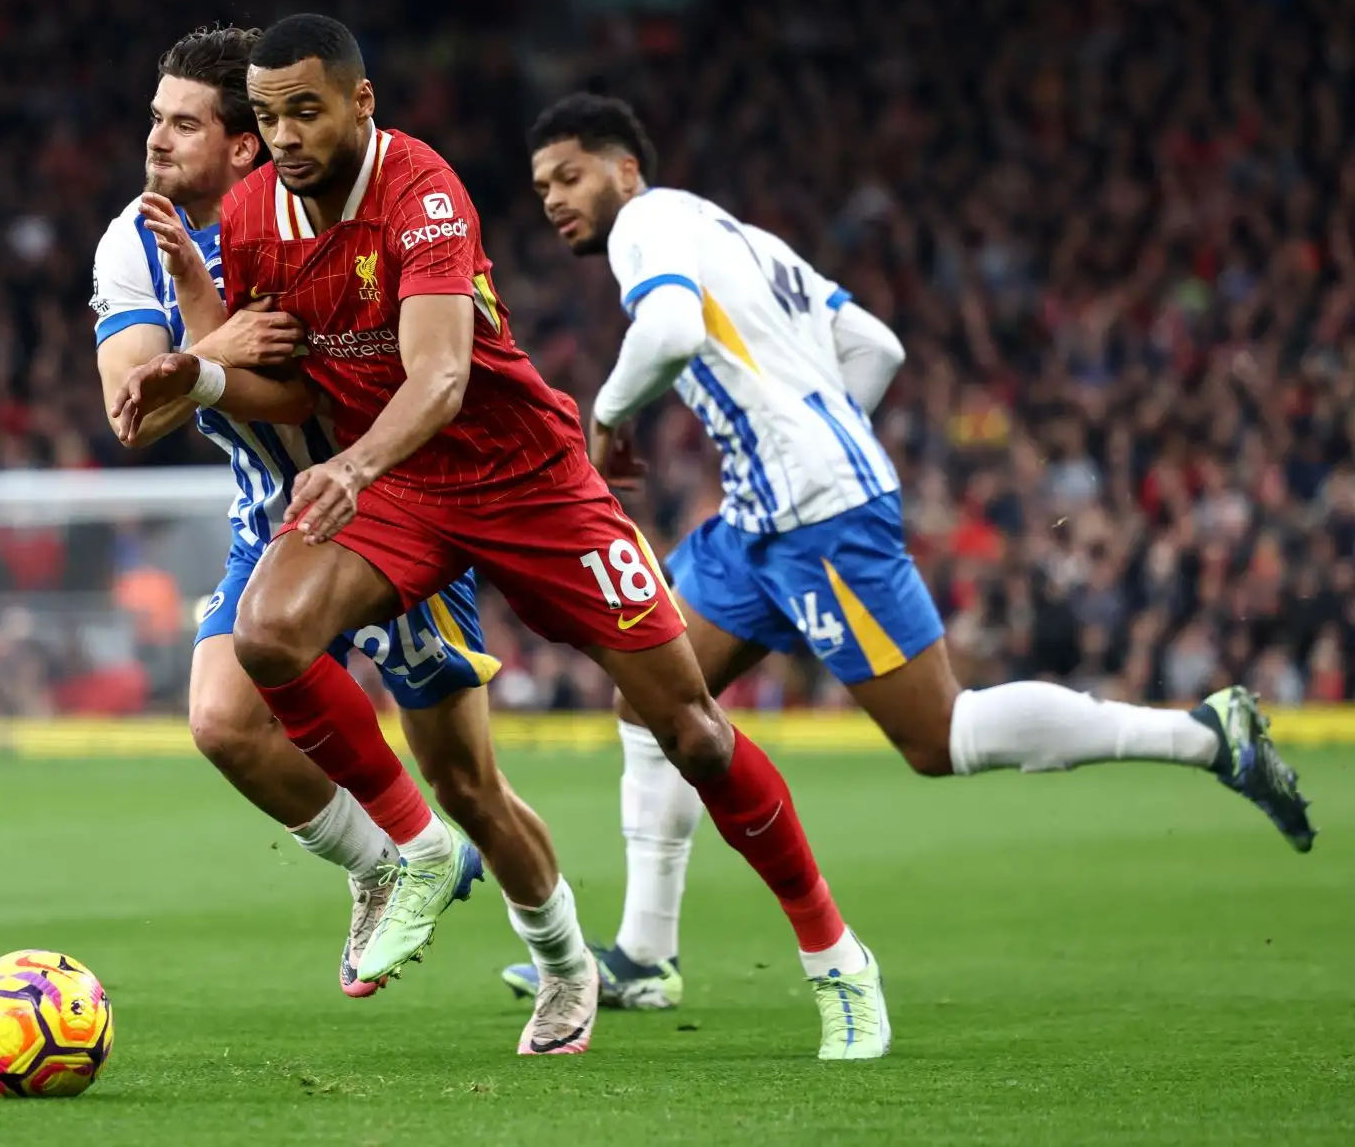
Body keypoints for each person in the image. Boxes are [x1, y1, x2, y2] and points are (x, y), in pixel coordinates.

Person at [114, 15, 891, 1061]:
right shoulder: (253, 213)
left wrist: (347, 464)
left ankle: (836, 957)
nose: (287, 135)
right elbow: (291, 376)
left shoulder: (421, 190)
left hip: (525, 482)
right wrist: (203, 372)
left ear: (361, 103)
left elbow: (438, 375)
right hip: (405, 490)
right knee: (268, 631)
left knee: (691, 729)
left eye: (307, 109)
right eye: (268, 116)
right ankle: (413, 854)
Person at [501, 91, 1318, 1010]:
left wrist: (608, 418)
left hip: (815, 516)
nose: (555, 199)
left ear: (626, 169)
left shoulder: (645, 224)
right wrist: (819, 434)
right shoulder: (743, 239)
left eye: (570, 176)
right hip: (763, 514)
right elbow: (875, 347)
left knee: (939, 735)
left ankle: (1207, 735)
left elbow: (673, 330)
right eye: (540, 188)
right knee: (650, 696)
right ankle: (645, 958)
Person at [93, 25, 558, 1006]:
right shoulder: (133, 239)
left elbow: (304, 396)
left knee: (468, 782)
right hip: (277, 515)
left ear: (245, 146)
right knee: (223, 722)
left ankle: (570, 961)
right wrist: (221, 344)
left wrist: (209, 362)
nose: (156, 142)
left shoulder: (328, 219)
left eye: (183, 124)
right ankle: (382, 862)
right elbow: (133, 407)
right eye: (154, 120)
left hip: (402, 504)